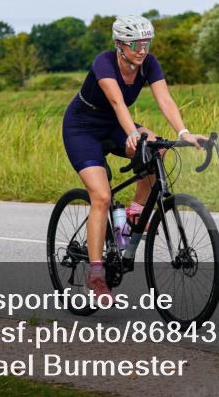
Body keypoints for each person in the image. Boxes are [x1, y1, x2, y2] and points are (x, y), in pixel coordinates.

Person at [61, 15, 207, 300]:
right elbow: (117, 102)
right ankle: (96, 274)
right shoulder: (104, 63)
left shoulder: (149, 63)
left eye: (146, 43)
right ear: (119, 44)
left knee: (157, 148)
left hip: (114, 125)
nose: (142, 50)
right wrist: (131, 133)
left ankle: (134, 213)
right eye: (135, 44)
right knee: (101, 197)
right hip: (83, 129)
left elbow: (164, 99)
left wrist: (184, 132)